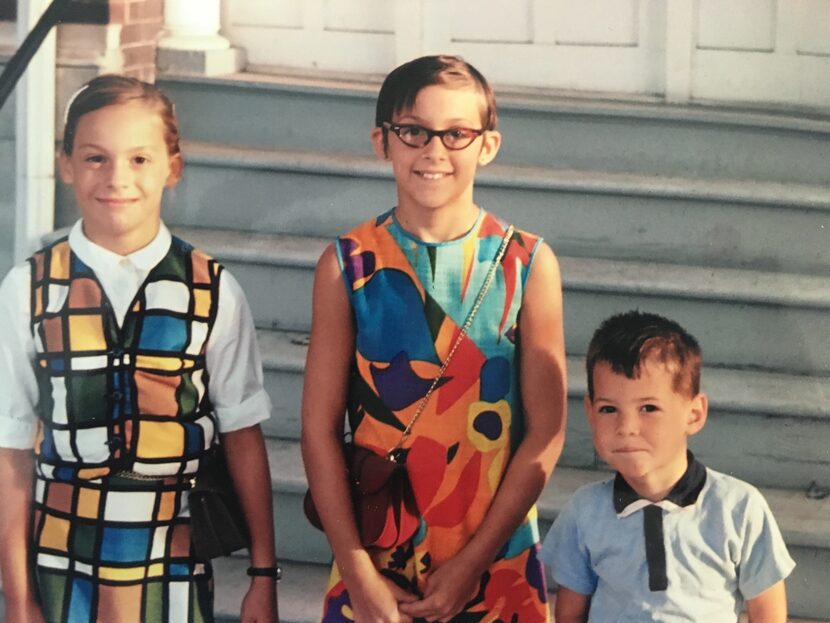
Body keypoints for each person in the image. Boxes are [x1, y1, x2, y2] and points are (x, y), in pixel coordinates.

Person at [0, 75, 279, 623]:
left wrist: (264, 577)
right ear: (66, 165)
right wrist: (19, 599)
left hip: (171, 554)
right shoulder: (27, 289)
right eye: (95, 158)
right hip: (62, 557)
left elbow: (244, 436)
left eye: (139, 160)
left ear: (172, 167)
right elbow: (10, 453)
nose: (116, 179)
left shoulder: (212, 288)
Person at [301, 54, 567, 622]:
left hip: (495, 554)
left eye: (456, 134)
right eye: (414, 131)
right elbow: (318, 430)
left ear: (487, 145)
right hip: (378, 561)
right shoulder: (347, 266)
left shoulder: (527, 264)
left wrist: (473, 562)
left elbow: (545, 432)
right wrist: (356, 570)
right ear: (383, 141)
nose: (434, 151)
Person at [541, 310, 795, 622]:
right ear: (590, 413)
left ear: (694, 413)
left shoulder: (738, 508)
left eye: (649, 407)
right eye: (609, 409)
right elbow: (571, 612)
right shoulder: (585, 511)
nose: (626, 427)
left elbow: (767, 613)